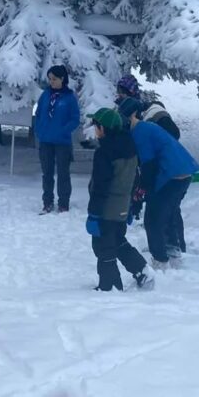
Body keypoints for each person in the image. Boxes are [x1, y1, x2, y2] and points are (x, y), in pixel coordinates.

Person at [119, 99, 199, 267]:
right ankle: (173, 252)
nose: (123, 121)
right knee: (168, 213)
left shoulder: (140, 131)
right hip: (184, 173)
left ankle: (160, 260)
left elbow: (149, 166)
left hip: (172, 176)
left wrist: (142, 191)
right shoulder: (147, 128)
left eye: (125, 117)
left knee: (153, 219)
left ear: (134, 115)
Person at [85, 109, 153, 292]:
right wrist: (131, 206)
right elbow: (135, 179)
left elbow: (101, 186)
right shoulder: (130, 147)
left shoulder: (105, 152)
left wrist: (93, 214)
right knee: (117, 240)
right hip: (123, 205)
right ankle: (141, 270)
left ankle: (110, 286)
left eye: (97, 127)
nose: (96, 131)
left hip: (107, 207)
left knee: (103, 246)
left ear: (103, 129)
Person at [33, 65, 80, 213]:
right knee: (47, 173)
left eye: (54, 79)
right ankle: (47, 202)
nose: (51, 82)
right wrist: (39, 130)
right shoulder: (45, 95)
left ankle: (63, 203)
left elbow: (75, 119)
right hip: (45, 140)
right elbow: (38, 113)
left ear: (62, 79)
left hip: (62, 142)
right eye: (49, 79)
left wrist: (63, 130)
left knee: (63, 173)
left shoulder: (69, 97)